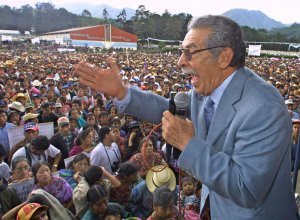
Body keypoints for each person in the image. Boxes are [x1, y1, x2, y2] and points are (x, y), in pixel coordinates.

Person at [75, 15, 298, 219]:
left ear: (223, 57)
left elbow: (246, 189)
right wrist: (122, 93)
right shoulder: (208, 90)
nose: (180, 61)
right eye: (181, 52)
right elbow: (168, 108)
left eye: (190, 52)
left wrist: (188, 143)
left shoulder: (263, 107)